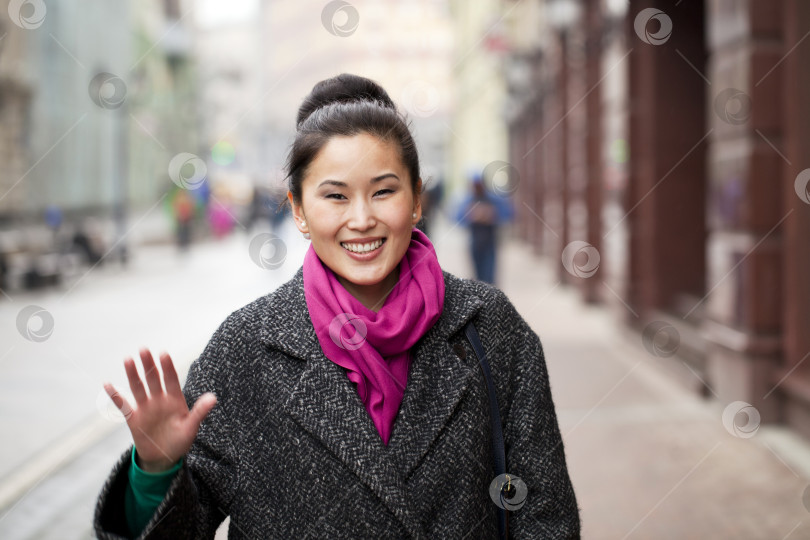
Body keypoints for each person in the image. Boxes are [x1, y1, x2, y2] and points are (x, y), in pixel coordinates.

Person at [94, 74, 580, 539]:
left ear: (416, 200)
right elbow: (183, 528)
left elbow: (545, 515)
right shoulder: (245, 350)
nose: (362, 219)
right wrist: (155, 472)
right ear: (300, 210)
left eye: (384, 191)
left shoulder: (489, 328)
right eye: (335, 197)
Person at [455, 173, 514, 285]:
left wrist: (491, 215)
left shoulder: (494, 199)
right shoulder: (468, 200)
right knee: (477, 276)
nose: (477, 187)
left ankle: (492, 299)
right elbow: (457, 219)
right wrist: (471, 215)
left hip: (490, 242)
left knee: (489, 274)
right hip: (475, 242)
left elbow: (509, 214)